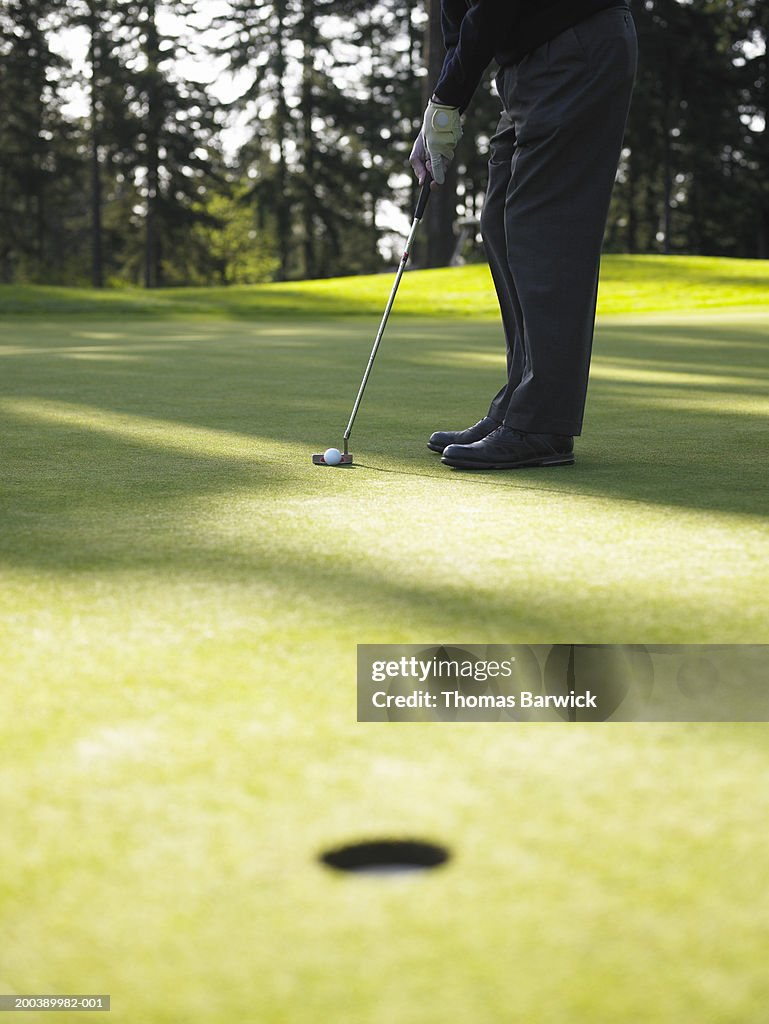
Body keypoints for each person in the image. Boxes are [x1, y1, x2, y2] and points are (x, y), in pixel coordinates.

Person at [410, 1, 637, 469]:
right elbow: (459, 22)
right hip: (529, 66)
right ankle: (518, 405)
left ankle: (541, 424)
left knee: (542, 232)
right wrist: (440, 111)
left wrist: (447, 97)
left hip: (574, 41)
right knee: (499, 222)